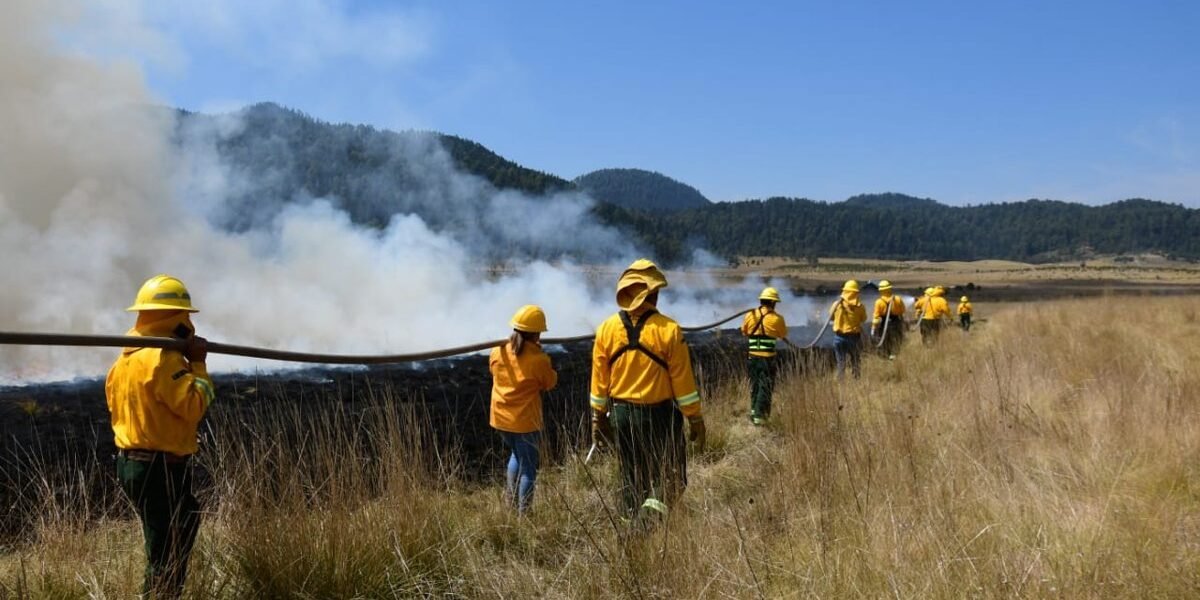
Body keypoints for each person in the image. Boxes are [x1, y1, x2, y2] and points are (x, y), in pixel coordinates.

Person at [106, 275, 215, 599]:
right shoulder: (163, 360)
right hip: (159, 468)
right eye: (184, 317)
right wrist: (197, 364)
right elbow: (194, 405)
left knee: (179, 526)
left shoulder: (124, 360)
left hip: (133, 465)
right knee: (166, 551)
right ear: (176, 318)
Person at [590, 259, 705, 521]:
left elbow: (598, 382)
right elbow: (683, 383)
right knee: (672, 476)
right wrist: (694, 417)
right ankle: (644, 528)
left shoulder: (605, 330)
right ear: (653, 293)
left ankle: (629, 534)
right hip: (658, 417)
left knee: (631, 475)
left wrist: (598, 417)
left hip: (619, 415)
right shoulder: (669, 330)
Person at [489, 305, 558, 514]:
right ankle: (524, 516)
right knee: (528, 468)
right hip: (525, 423)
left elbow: (492, 369)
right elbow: (550, 383)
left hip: (500, 419)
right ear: (537, 334)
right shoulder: (539, 360)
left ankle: (510, 505)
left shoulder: (497, 351)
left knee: (516, 455)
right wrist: (541, 356)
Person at [740, 287, 788, 425]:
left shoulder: (750, 315)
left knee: (755, 385)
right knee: (765, 386)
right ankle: (760, 419)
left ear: (761, 300)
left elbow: (744, 331)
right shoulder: (777, 319)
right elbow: (782, 334)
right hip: (767, 358)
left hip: (752, 356)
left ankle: (754, 412)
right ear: (773, 303)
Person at [830, 280, 868, 380]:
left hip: (839, 338)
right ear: (856, 292)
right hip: (854, 339)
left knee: (841, 362)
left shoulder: (836, 304)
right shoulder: (860, 307)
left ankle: (840, 383)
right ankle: (856, 380)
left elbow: (830, 317)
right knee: (855, 361)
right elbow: (863, 319)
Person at [870, 280, 906, 359]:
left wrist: (873, 329)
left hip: (883, 325)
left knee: (885, 341)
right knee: (896, 341)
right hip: (896, 323)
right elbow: (903, 311)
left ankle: (885, 358)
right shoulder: (897, 299)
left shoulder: (878, 302)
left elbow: (876, 318)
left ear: (881, 290)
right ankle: (895, 357)